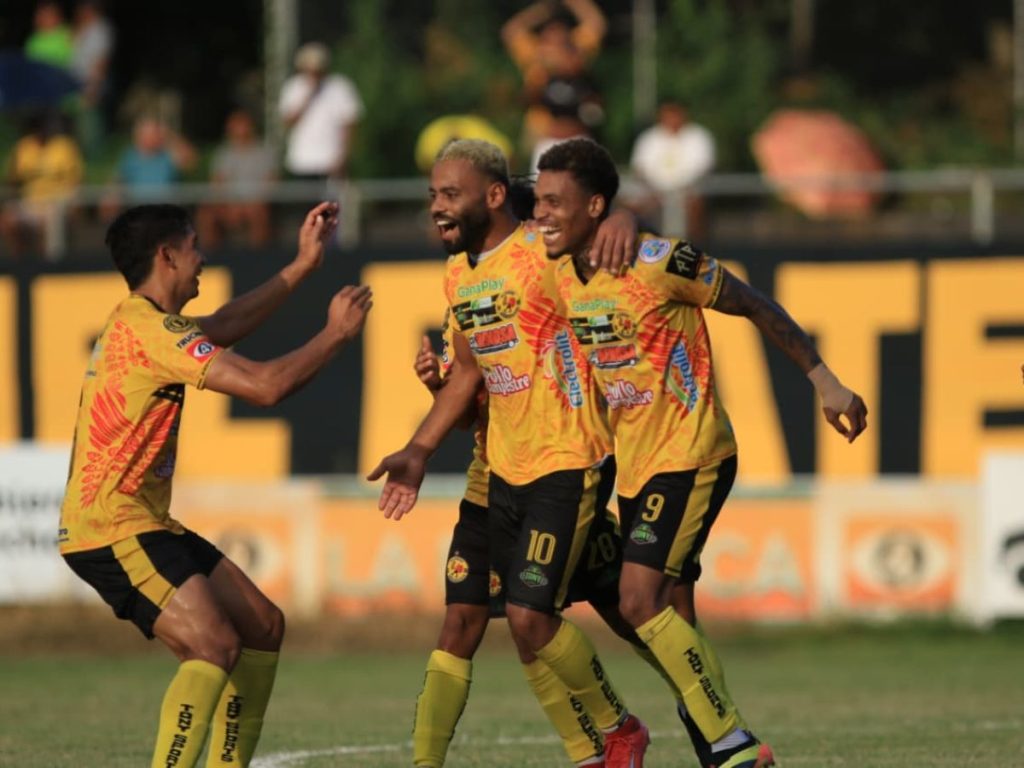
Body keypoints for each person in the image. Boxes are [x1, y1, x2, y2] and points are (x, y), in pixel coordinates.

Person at [538, 138, 869, 768]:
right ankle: (717, 752)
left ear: (596, 206)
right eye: (539, 201)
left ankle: (736, 746)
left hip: (693, 453)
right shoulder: (558, 275)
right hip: (635, 465)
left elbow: (752, 302)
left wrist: (824, 380)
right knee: (673, 617)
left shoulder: (660, 261)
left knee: (638, 603)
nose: (543, 213)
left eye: (556, 202)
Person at [57, 201, 372, 768]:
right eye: (195, 246)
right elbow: (265, 387)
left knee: (262, 626)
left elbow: (223, 326)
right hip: (109, 524)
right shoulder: (148, 331)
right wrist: (336, 336)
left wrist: (301, 266)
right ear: (167, 255)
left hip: (141, 519)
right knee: (215, 645)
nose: (204, 258)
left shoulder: (144, 323)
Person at [368, 139, 650, 768]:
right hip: (494, 472)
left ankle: (639, 727)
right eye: (432, 195)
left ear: (494, 195)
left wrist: (624, 217)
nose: (436, 207)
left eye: (450, 194)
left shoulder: (542, 251)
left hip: (565, 461)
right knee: (469, 624)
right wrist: (420, 437)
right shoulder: (459, 274)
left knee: (563, 617)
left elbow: (607, 243)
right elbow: (470, 379)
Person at [502, 0, 606, 159]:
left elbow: (596, 23)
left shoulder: (578, 51)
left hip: (577, 131)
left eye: (561, 41)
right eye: (550, 40)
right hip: (542, 131)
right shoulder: (534, 55)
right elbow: (511, 30)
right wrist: (543, 10)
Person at [0, 110, 83, 260]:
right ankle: (18, 263)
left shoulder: (64, 146)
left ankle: (44, 266)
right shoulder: (23, 147)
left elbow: (75, 182)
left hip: (57, 203)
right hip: (30, 202)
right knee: (7, 219)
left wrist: (71, 203)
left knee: (48, 221)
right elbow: (12, 179)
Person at [630, 101, 715, 240]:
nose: (672, 118)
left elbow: (704, 169)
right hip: (653, 192)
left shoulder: (699, 136)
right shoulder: (648, 138)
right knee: (629, 208)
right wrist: (654, 191)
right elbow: (639, 170)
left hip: (690, 191)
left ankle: (696, 249)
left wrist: (682, 192)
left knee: (696, 205)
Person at [278, 42, 363, 182]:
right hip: (301, 162)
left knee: (332, 203)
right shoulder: (293, 87)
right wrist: (308, 95)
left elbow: (350, 125)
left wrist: (343, 157)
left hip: (330, 162)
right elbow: (288, 122)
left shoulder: (340, 87)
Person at [195, 110, 277, 248]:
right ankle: (210, 260)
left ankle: (257, 259)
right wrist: (230, 206)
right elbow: (217, 184)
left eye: (243, 125)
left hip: (255, 204)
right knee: (206, 216)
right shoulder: (223, 154)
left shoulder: (265, 153)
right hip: (229, 204)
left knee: (259, 215)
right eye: (236, 126)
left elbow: (271, 184)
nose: (240, 129)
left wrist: (249, 204)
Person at [70, 0, 115, 156]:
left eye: (84, 10)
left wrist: (94, 85)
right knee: (80, 117)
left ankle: (94, 153)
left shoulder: (100, 30)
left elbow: (101, 60)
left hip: (91, 80)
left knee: (90, 118)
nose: (80, 13)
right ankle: (81, 150)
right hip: (77, 80)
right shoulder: (83, 28)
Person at [24, 1, 74, 69]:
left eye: (48, 15)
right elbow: (28, 62)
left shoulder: (66, 33)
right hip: (40, 73)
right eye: (41, 15)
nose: (44, 19)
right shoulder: (33, 40)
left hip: (61, 73)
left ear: (58, 18)